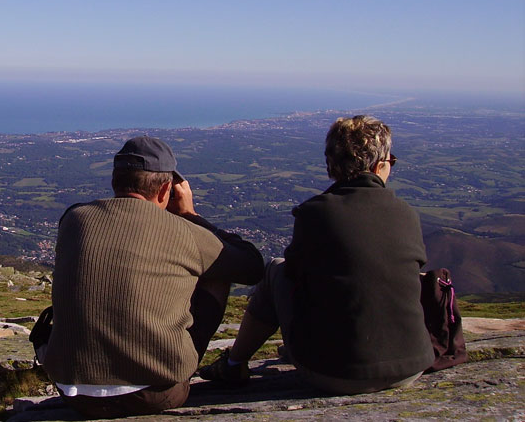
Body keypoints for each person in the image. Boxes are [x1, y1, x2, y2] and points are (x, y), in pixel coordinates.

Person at [200, 115, 435, 394]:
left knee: (276, 269)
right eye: (390, 162)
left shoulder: (315, 214)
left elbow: (296, 277)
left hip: (333, 374)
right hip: (412, 367)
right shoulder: (406, 214)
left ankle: (234, 363)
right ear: (379, 165)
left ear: (331, 164)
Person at [40, 136, 265, 418]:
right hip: (155, 395)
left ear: (115, 181)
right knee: (217, 273)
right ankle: (209, 367)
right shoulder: (185, 232)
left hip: (73, 391)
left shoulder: (74, 218)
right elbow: (253, 267)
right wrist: (191, 214)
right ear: (165, 190)